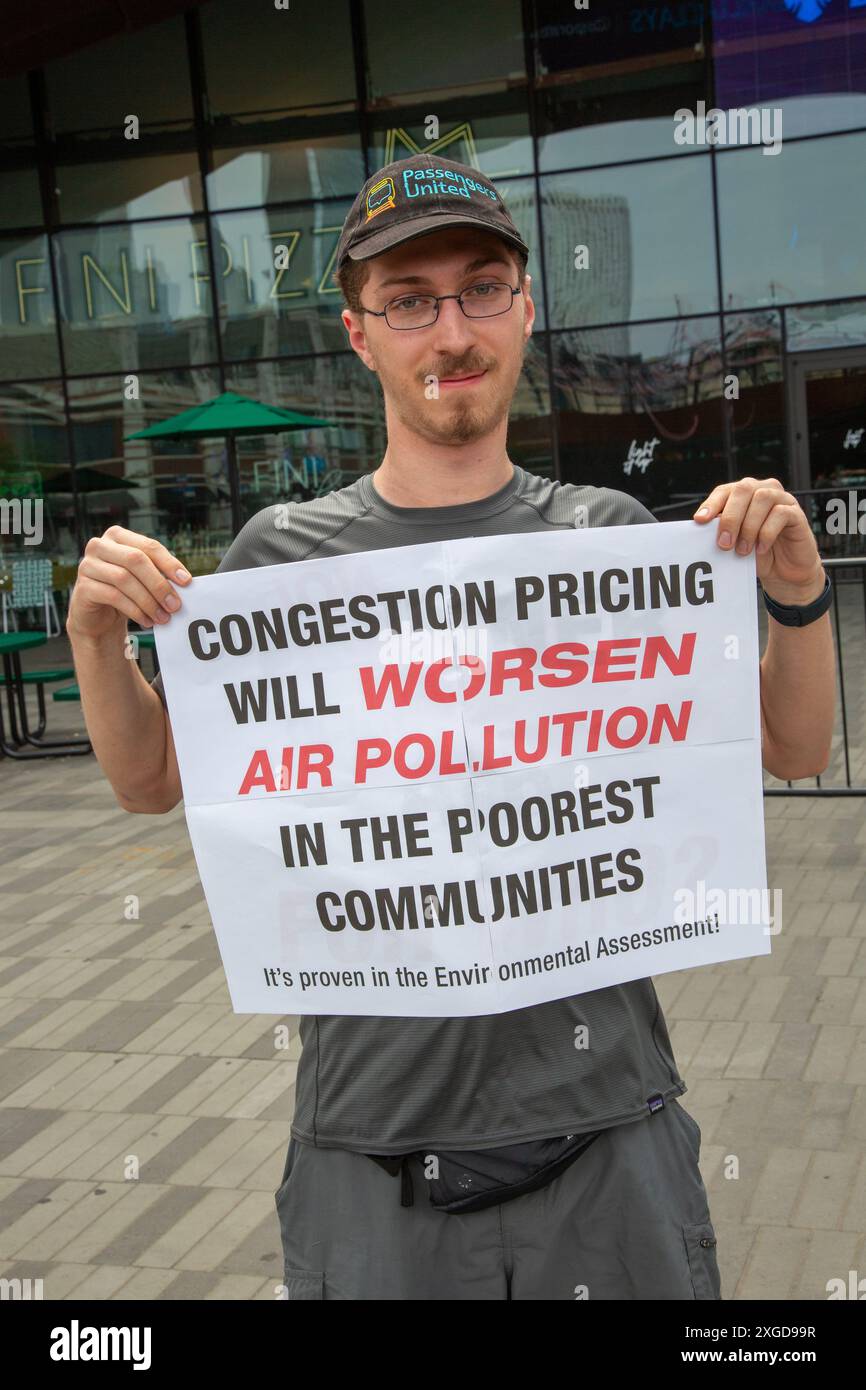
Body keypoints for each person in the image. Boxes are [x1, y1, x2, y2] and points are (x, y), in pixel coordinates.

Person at [66, 154, 835, 1301]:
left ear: (524, 310)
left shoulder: (610, 538)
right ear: (360, 333)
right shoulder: (279, 559)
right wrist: (94, 641)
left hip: (606, 1131)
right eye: (409, 300)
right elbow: (149, 782)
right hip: (371, 1152)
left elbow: (793, 750)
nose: (451, 330)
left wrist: (796, 593)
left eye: (480, 288)